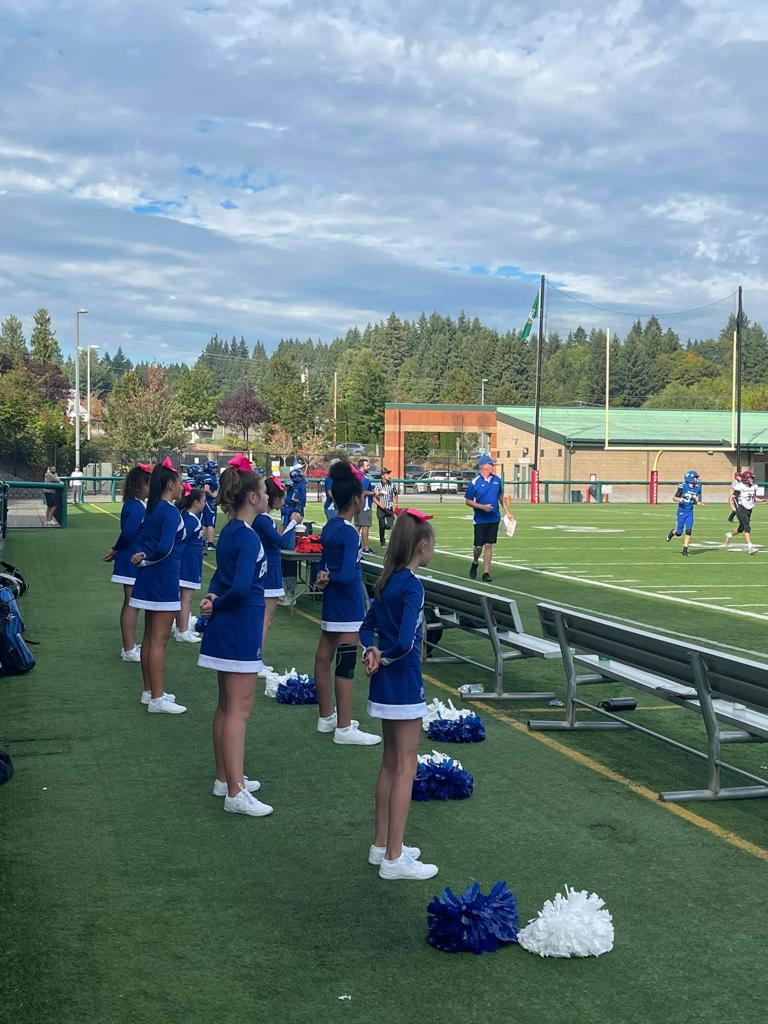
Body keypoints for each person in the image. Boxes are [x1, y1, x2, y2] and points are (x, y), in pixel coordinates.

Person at [361, 508, 438, 880]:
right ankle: (393, 857)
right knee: (406, 766)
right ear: (422, 546)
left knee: (389, 763)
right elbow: (407, 640)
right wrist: (385, 655)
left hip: (383, 681)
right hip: (403, 680)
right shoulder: (411, 584)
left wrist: (370, 651)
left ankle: (382, 845)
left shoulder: (387, 580)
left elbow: (367, 627)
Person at [197, 459, 273, 817]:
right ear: (254, 497)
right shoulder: (245, 534)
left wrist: (213, 599)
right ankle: (235, 791)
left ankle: (225, 778)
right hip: (239, 625)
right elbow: (241, 587)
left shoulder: (229, 530)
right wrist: (220, 602)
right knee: (239, 710)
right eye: (265, 492)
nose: (270, 497)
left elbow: (223, 580)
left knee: (226, 706)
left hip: (226, 625)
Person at [314, 461, 381, 746]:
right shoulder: (350, 533)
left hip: (331, 603)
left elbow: (324, 564)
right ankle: (343, 727)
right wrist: (330, 577)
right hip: (348, 604)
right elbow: (344, 574)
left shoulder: (330, 526)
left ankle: (326, 716)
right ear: (356, 500)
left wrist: (323, 576)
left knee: (322, 656)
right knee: (345, 663)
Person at [130, 459, 186, 714]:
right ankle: (157, 698)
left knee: (148, 637)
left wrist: (142, 557)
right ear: (171, 484)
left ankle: (148, 691)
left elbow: (143, 540)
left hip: (148, 577)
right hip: (163, 578)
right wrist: (149, 559)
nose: (183, 485)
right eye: (180, 481)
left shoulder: (151, 508)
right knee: (159, 641)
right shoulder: (170, 511)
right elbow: (165, 547)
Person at [102, 463, 151, 661]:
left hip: (131, 556)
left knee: (133, 603)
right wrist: (116, 549)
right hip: (130, 558)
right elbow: (129, 533)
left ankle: (130, 645)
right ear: (141, 485)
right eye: (149, 485)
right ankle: (128, 649)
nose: (151, 489)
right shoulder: (136, 506)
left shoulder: (135, 504)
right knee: (131, 604)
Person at [254, 475, 302, 673]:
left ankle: (256, 659)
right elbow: (280, 542)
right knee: (265, 619)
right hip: (269, 571)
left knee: (263, 619)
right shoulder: (262, 519)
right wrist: (293, 523)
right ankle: (255, 661)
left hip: (269, 569)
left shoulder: (264, 518)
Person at [465, 455, 508, 582]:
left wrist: (507, 512)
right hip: (480, 519)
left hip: (494, 518)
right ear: (483, 465)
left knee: (489, 545)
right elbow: (468, 501)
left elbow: (501, 496)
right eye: (491, 464)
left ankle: (486, 573)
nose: (493, 467)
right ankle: (475, 561)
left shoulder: (497, 480)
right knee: (478, 547)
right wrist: (482, 507)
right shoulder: (474, 482)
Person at [174, 485, 206, 642]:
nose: (204, 503)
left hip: (191, 562)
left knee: (185, 596)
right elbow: (180, 541)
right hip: (187, 564)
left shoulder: (190, 519)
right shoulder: (189, 520)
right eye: (203, 500)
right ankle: (182, 631)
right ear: (195, 502)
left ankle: (181, 627)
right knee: (186, 597)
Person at [279, 462, 307, 605]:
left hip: (292, 522)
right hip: (288, 522)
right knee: (285, 557)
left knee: (288, 556)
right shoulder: (294, 487)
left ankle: (290, 593)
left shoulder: (298, 488)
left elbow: (297, 502)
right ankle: (287, 592)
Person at [725, 468, 765, 554]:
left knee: (741, 529)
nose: (752, 480)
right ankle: (750, 547)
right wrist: (732, 506)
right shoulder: (740, 487)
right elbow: (731, 497)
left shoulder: (753, 486)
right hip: (741, 508)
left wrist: (761, 500)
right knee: (747, 527)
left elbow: (753, 498)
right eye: (750, 478)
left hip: (749, 509)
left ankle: (729, 535)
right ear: (746, 479)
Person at [666, 469, 703, 557]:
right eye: (695, 478)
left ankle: (685, 550)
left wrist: (698, 503)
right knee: (679, 533)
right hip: (681, 511)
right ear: (690, 478)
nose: (697, 479)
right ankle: (673, 532)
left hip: (690, 512)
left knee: (689, 530)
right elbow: (674, 498)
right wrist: (680, 499)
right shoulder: (683, 486)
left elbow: (692, 499)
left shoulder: (697, 488)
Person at [373, 467, 399, 547]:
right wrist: (379, 504)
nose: (388, 475)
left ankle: (387, 530)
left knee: (390, 525)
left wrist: (395, 504)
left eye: (388, 473)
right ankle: (382, 540)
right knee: (381, 525)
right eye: (387, 474)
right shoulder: (378, 485)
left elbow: (396, 494)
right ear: (382, 476)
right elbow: (373, 497)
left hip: (389, 508)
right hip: (381, 508)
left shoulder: (392, 484)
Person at [355, 457, 375, 554]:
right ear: (361, 466)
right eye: (367, 465)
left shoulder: (360, 477)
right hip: (364, 505)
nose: (369, 467)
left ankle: (355, 545)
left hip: (361, 504)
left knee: (359, 526)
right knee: (365, 526)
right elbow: (362, 492)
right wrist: (374, 493)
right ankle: (365, 547)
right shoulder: (362, 478)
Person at [201, 460, 219, 550]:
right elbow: (206, 489)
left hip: (206, 501)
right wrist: (213, 495)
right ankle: (210, 543)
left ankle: (203, 542)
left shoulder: (207, 476)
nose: (215, 470)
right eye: (214, 468)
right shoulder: (209, 477)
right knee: (211, 523)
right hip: (209, 502)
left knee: (204, 523)